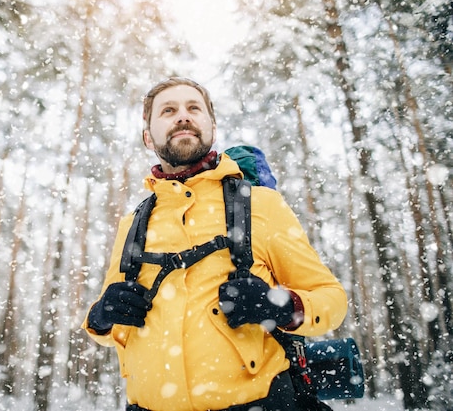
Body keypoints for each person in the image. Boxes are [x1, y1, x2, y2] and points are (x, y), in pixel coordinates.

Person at [82, 77, 347, 411]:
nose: (183, 116)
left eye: (194, 108)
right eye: (168, 110)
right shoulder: (133, 223)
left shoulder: (260, 205)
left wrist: (278, 306)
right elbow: (107, 326)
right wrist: (101, 316)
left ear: (212, 127)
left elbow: (332, 300)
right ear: (148, 137)